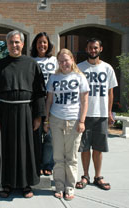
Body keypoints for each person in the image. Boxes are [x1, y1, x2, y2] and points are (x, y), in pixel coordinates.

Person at [0, 30, 46, 198]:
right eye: (11, 42)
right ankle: (5, 183)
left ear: (22, 44)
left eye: (17, 42)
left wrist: (38, 117)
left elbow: (39, 93)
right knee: (6, 149)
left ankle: (25, 184)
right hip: (5, 113)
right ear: (7, 45)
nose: (14, 45)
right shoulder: (0, 65)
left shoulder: (32, 64)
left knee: (26, 149)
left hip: (27, 113)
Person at [44, 48, 89, 200]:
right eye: (61, 61)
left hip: (74, 120)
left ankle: (69, 187)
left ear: (72, 59)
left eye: (66, 60)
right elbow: (49, 101)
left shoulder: (80, 77)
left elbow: (84, 101)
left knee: (71, 157)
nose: (64, 63)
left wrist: (82, 121)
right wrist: (47, 120)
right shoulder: (53, 78)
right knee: (58, 156)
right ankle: (59, 186)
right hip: (56, 119)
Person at [76, 38, 118, 191]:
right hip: (84, 115)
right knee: (85, 147)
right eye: (90, 48)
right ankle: (85, 175)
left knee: (99, 148)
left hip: (100, 114)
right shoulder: (79, 68)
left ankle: (97, 176)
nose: (92, 50)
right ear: (86, 49)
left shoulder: (107, 68)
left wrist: (108, 112)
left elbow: (110, 92)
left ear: (100, 49)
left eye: (95, 48)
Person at [30, 32, 57, 176]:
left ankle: (47, 164)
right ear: (35, 44)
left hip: (52, 103)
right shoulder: (30, 61)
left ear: (49, 44)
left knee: (49, 137)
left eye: (44, 42)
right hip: (35, 103)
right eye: (39, 42)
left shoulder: (54, 61)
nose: (42, 45)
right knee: (36, 135)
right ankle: (37, 164)